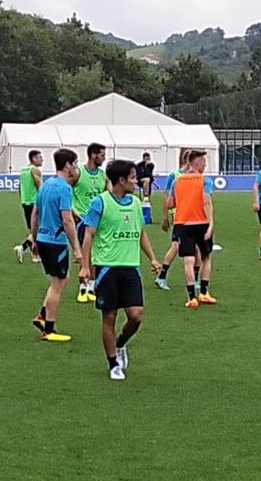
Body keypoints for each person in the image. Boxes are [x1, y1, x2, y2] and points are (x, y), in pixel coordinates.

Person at [80, 159, 160, 380]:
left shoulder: (135, 203)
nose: (136, 181)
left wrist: (152, 258)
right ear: (121, 180)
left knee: (136, 316)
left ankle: (120, 343)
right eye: (132, 177)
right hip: (107, 267)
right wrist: (85, 266)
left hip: (131, 267)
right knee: (110, 316)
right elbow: (88, 235)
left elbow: (140, 232)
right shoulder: (100, 203)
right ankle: (113, 363)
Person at [27, 148, 82, 342]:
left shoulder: (46, 185)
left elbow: (35, 214)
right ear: (67, 165)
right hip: (56, 242)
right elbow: (67, 220)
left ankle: (42, 316)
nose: (76, 167)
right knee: (58, 284)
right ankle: (48, 329)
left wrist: (34, 238)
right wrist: (76, 249)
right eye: (75, 163)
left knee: (62, 278)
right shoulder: (65, 188)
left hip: (43, 239)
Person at [169, 150, 216, 309]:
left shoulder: (177, 181)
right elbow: (206, 202)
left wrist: (185, 202)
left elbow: (170, 203)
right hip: (201, 222)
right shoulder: (204, 180)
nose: (205, 165)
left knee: (188, 260)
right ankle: (203, 292)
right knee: (206, 257)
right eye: (203, 162)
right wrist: (211, 224)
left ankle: (191, 298)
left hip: (183, 223)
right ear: (196, 163)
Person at [72, 142, 108, 303]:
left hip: (99, 221)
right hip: (82, 221)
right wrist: (74, 212)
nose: (104, 158)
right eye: (102, 155)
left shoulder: (102, 175)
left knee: (96, 255)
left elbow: (107, 195)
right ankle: (82, 287)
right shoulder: (79, 173)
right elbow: (66, 192)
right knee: (84, 254)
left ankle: (92, 286)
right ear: (93, 155)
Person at [154, 150, 192, 291]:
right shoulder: (175, 176)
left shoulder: (197, 176)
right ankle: (161, 276)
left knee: (194, 247)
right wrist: (165, 217)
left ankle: (195, 279)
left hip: (192, 217)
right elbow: (166, 196)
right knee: (176, 246)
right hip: (180, 216)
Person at [13, 150, 44, 264]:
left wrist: (22, 199)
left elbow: (20, 188)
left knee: (32, 230)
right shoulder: (34, 170)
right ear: (34, 159)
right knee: (39, 230)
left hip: (25, 202)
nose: (42, 159)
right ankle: (23, 248)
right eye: (40, 157)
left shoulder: (24, 171)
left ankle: (34, 255)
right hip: (34, 203)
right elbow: (39, 186)